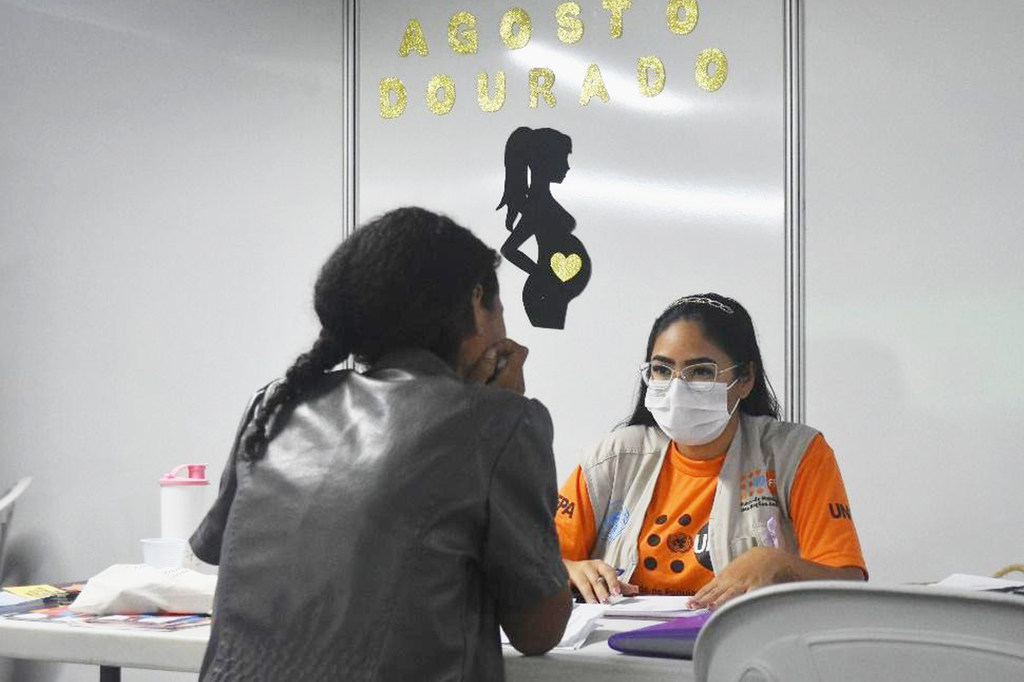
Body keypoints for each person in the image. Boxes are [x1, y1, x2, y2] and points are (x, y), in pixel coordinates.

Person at [190, 207, 572, 681]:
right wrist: (494, 411)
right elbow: (538, 630)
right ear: (477, 302)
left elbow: (219, 552)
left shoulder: (274, 405)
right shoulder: (499, 420)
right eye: (498, 308)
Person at [555, 293, 866, 609]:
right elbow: (532, 561)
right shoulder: (611, 459)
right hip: (614, 650)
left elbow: (847, 582)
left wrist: (779, 566)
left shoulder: (796, 454)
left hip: (742, 647)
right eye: (662, 370)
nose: (677, 388)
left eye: (700, 372)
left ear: (744, 380)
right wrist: (569, 569)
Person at [496, 126, 591, 330]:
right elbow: (509, 249)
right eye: (563, 159)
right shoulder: (537, 206)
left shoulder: (542, 201)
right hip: (544, 295)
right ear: (545, 161)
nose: (567, 167)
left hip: (553, 292)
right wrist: (541, 274)